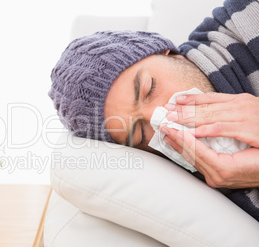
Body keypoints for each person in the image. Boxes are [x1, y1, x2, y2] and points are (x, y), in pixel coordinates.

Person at [48, 0, 259, 221]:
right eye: (140, 133)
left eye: (150, 88)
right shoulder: (217, 187)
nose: (162, 116)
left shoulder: (247, 15)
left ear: (167, 52)